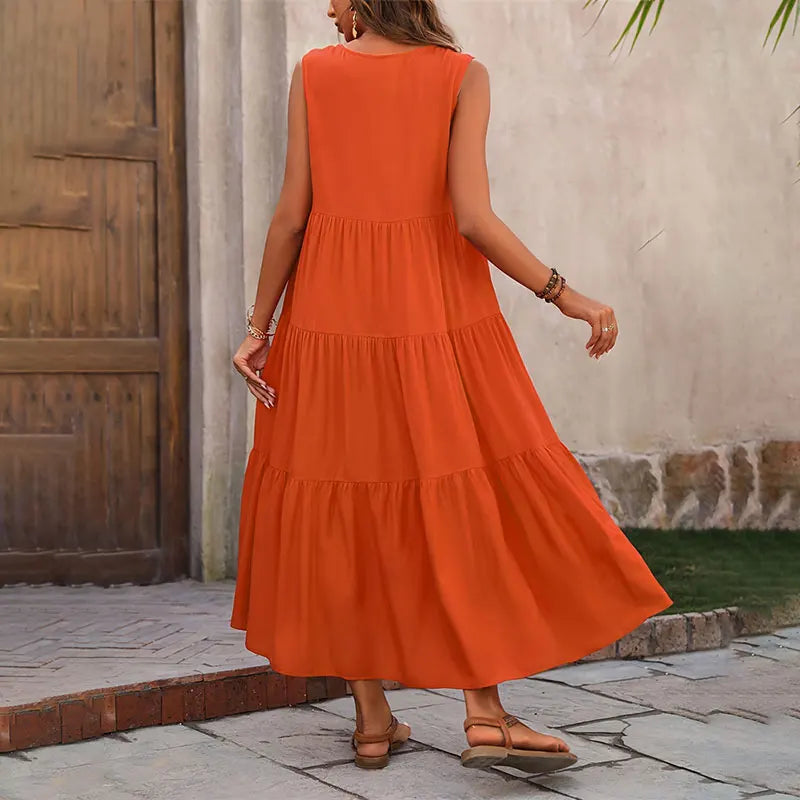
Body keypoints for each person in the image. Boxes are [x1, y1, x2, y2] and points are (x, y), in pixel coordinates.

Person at [230, 0, 672, 774]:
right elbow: (472, 217)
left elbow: (291, 217)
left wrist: (259, 326)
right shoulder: (462, 76)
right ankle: (484, 713)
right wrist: (567, 294)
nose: (326, 8)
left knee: (346, 502)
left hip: (330, 326)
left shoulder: (315, 74)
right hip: (434, 319)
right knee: (455, 496)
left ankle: (372, 723)